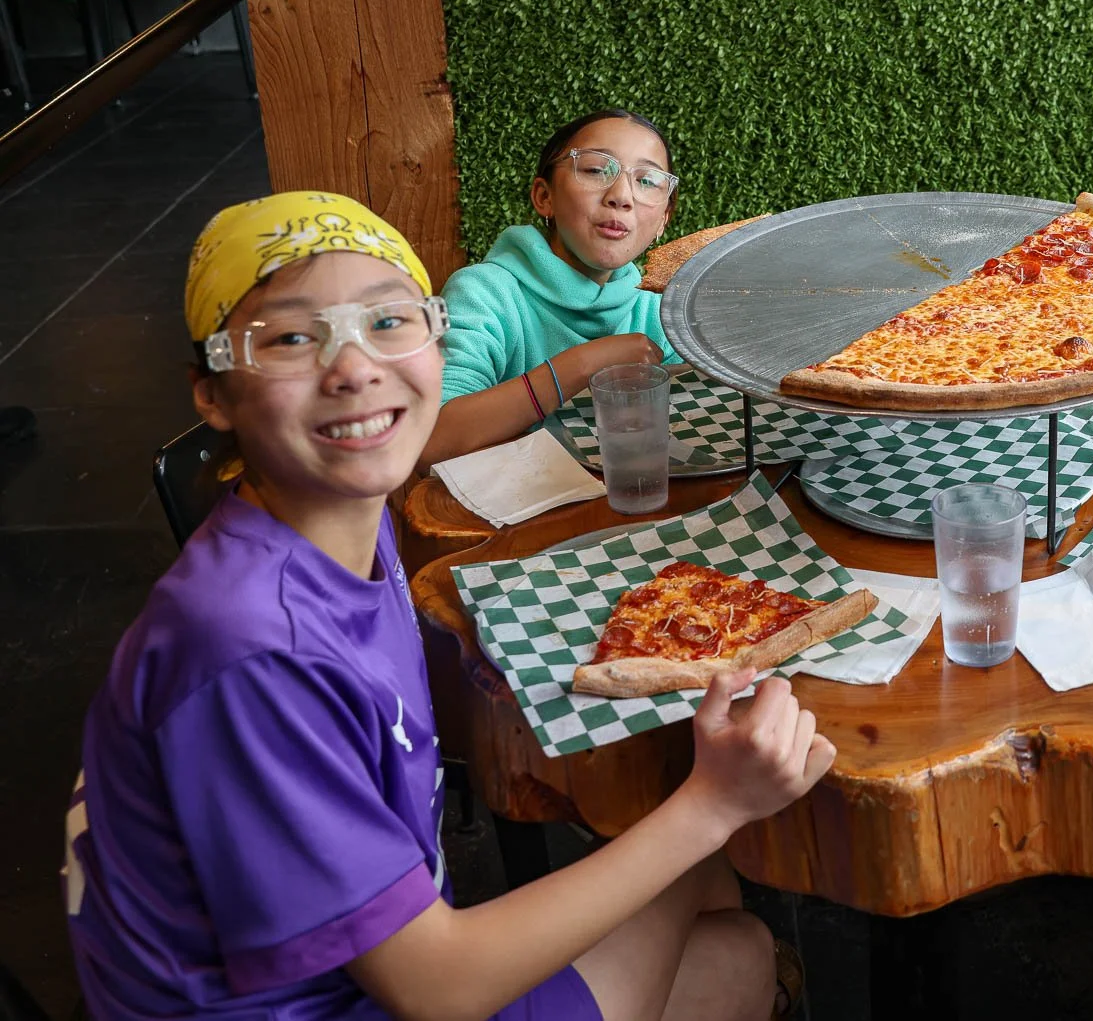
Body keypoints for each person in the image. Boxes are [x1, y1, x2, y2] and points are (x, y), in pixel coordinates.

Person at [65, 191, 830, 1019]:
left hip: (364, 963)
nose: (354, 367)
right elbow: (437, 989)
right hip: (392, 987)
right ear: (210, 393)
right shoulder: (250, 647)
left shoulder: (338, 528)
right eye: (291, 337)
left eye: (389, 321)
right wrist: (715, 803)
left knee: (725, 922)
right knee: (731, 932)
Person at [420, 109, 686, 467]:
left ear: (663, 221)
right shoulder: (484, 293)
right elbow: (432, 441)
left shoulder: (658, 308)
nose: (622, 195)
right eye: (594, 169)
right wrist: (582, 366)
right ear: (544, 197)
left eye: (648, 181)